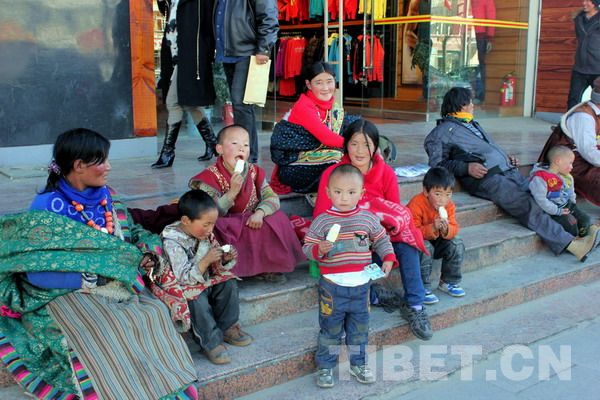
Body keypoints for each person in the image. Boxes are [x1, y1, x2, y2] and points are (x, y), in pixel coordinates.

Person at [0, 128, 198, 399]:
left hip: (112, 285)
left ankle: (155, 385)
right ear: (79, 165)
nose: (109, 166)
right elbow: (37, 271)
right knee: (104, 329)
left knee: (152, 313)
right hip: (64, 292)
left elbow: (130, 231)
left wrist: (146, 250)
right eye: (102, 160)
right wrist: (91, 280)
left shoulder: (106, 196)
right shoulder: (46, 209)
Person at [425, 87, 600, 263]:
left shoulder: (471, 124)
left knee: (545, 195)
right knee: (527, 205)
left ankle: (584, 228)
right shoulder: (441, 132)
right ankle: (571, 244)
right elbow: (436, 165)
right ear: (461, 104)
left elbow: (487, 150)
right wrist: (465, 168)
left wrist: (505, 159)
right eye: (470, 102)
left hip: (507, 171)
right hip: (489, 179)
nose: (473, 106)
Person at [314, 119, 433, 341]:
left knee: (406, 243)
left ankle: (416, 306)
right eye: (354, 143)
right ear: (346, 145)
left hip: (376, 244)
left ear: (375, 147)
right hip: (346, 248)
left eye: (366, 144)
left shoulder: (385, 174)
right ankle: (373, 293)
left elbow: (394, 217)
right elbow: (322, 219)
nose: (360, 151)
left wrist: (374, 235)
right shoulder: (333, 174)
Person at [303, 164, 398, 388]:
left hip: (361, 286)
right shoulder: (322, 221)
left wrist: (387, 257)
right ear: (327, 192)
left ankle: (358, 364)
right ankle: (325, 366)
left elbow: (382, 239)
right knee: (330, 329)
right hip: (332, 287)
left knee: (359, 329)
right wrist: (319, 250)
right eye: (338, 192)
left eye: (351, 192)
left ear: (362, 194)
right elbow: (307, 247)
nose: (344, 198)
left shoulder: (367, 219)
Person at [189, 124, 305, 282]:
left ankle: (267, 268)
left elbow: (271, 197)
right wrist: (231, 193)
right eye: (235, 144)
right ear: (219, 149)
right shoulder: (210, 177)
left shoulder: (254, 171)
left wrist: (260, 212)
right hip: (226, 223)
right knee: (215, 228)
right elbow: (208, 212)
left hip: (252, 219)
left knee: (277, 218)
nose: (241, 149)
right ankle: (227, 271)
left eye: (246, 145)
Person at [161, 190, 252, 365]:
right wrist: (205, 261)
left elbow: (216, 266)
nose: (210, 230)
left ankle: (228, 327)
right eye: (206, 225)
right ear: (186, 221)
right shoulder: (172, 241)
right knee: (196, 300)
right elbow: (182, 277)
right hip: (185, 285)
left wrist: (224, 259)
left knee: (228, 282)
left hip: (204, 279)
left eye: (213, 224)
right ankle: (211, 342)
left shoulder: (203, 232)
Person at [152, 0, 217, 168]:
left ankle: (167, 153)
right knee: (189, 104)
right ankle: (213, 144)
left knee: (173, 102)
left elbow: (209, 26)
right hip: (172, 55)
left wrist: (206, 56)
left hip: (190, 56)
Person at [215, 0, 279, 163]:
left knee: (241, 105)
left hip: (247, 52)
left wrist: (264, 48)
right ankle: (246, 153)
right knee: (241, 106)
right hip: (228, 53)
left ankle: (246, 156)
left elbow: (268, 15)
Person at [270, 62, 346, 194]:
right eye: (319, 83)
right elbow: (328, 139)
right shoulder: (304, 106)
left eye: (329, 82)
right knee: (339, 158)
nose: (326, 88)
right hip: (293, 168)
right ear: (309, 84)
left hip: (316, 160)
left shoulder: (334, 106)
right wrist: (359, 145)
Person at [407, 166, 465, 305]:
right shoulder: (416, 204)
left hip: (438, 241)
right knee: (425, 246)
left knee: (457, 243)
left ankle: (448, 281)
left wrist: (446, 230)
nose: (442, 200)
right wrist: (432, 227)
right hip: (418, 243)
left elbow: (454, 228)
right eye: (438, 194)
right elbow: (411, 231)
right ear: (426, 191)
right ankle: (423, 287)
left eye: (448, 194)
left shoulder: (449, 206)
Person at [539, 77, 600, 206]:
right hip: (570, 163)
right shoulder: (584, 117)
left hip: (586, 159)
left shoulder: (595, 112)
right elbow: (590, 152)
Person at [530, 145, 595, 238]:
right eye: (570, 163)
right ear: (558, 161)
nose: (572, 167)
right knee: (571, 225)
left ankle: (587, 236)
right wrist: (557, 211)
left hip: (567, 205)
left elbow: (571, 193)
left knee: (586, 220)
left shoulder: (567, 177)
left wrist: (573, 205)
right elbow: (541, 200)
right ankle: (576, 241)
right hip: (551, 210)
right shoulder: (540, 178)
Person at [566, 0, 600, 109]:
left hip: (597, 68)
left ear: (595, 4)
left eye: (588, 1)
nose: (584, 3)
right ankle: (567, 125)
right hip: (580, 68)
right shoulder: (579, 18)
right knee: (573, 99)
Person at [472, 0, 496, 103]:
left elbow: (491, 16)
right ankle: (476, 94)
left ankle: (480, 95)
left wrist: (490, 38)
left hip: (481, 36)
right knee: (477, 65)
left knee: (481, 65)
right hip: (472, 34)